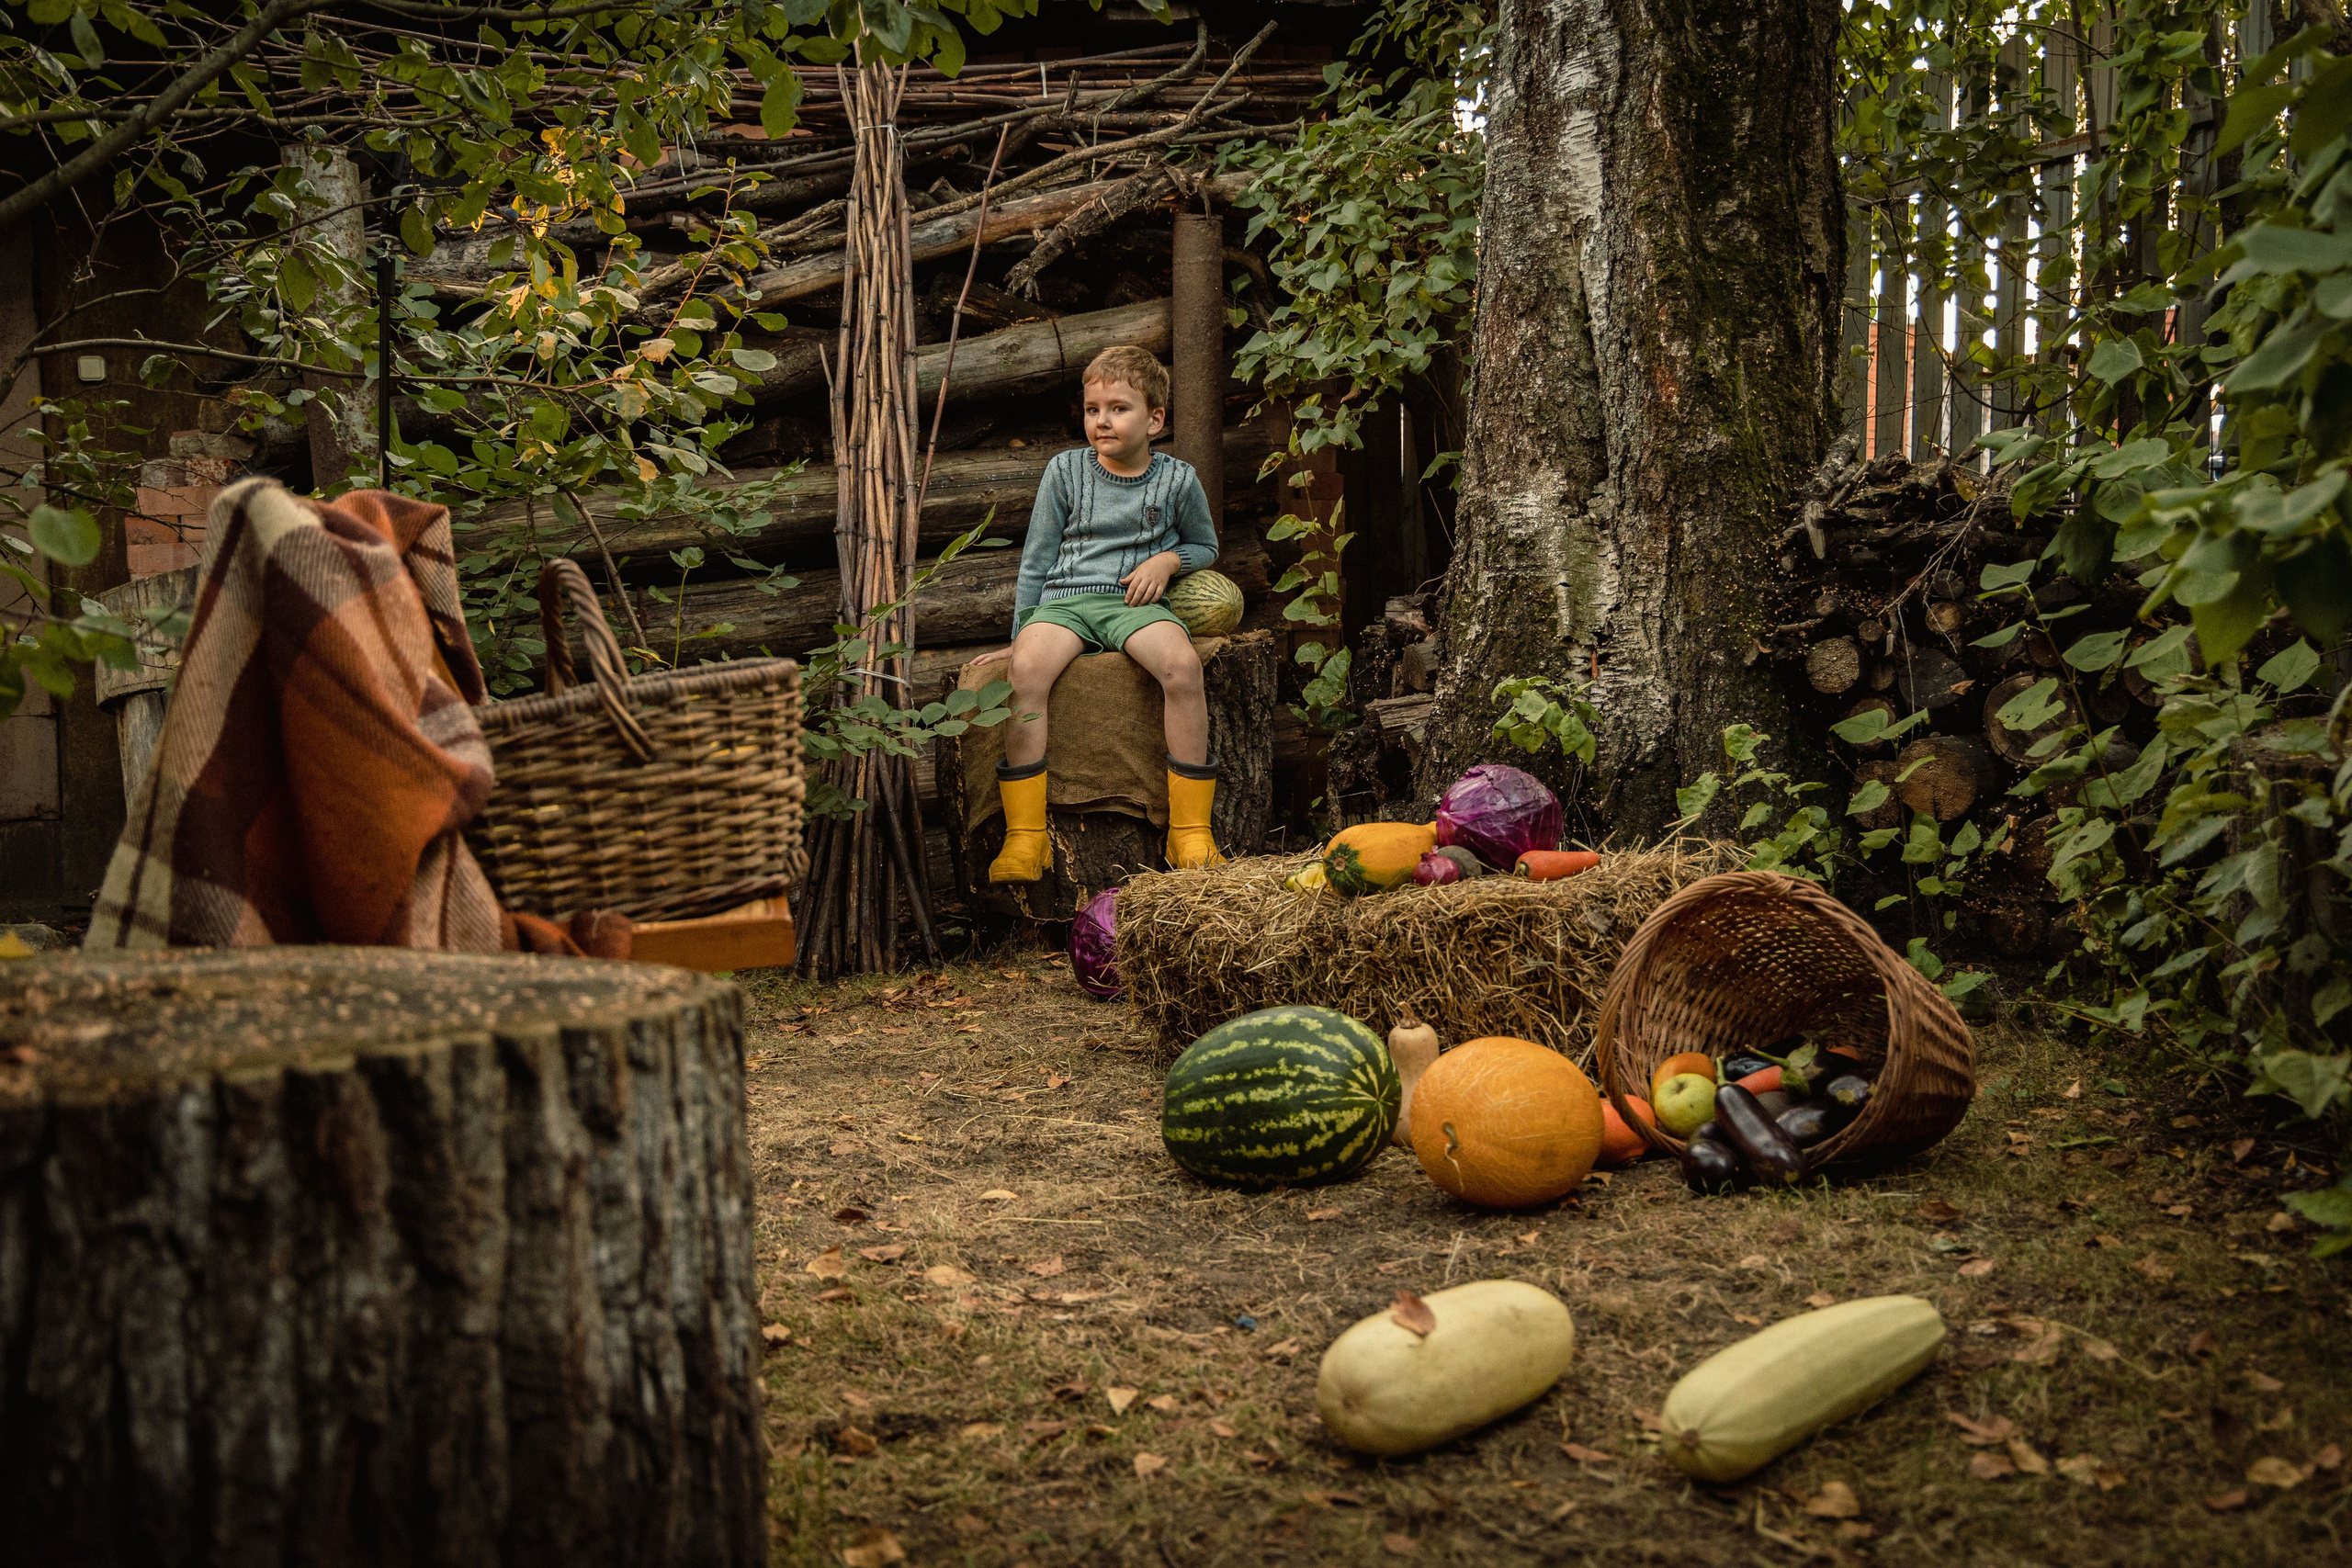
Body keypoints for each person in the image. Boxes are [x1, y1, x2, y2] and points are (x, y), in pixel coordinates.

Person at [989, 344, 1223, 882]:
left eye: (1119, 408)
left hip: (1134, 604)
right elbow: (1037, 559)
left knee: (1182, 669)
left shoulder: (1178, 480)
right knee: (1025, 674)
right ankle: (1025, 838)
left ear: (1155, 420)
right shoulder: (1065, 471)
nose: (1102, 420)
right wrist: (1023, 630)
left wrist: (1168, 559)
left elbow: (1205, 546)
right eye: (1093, 409)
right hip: (1065, 603)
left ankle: (1190, 832)